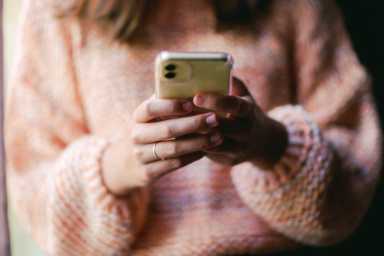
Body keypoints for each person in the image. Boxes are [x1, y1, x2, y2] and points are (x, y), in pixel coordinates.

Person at [5, 0, 382, 255]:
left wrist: (269, 144)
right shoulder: (58, 12)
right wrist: (120, 167)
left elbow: (352, 183)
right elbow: (35, 191)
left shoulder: (298, 6)